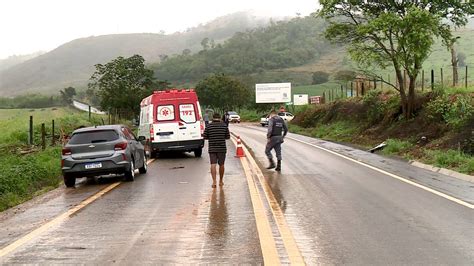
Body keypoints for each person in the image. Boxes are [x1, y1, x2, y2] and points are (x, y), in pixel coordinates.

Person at [203, 113, 230, 188]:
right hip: (222, 148)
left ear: (212, 118)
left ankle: (214, 181)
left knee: (213, 164)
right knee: (221, 164)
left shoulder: (209, 126)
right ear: (220, 118)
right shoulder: (224, 126)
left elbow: (205, 137)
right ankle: (221, 181)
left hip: (212, 148)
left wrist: (211, 137)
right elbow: (228, 137)